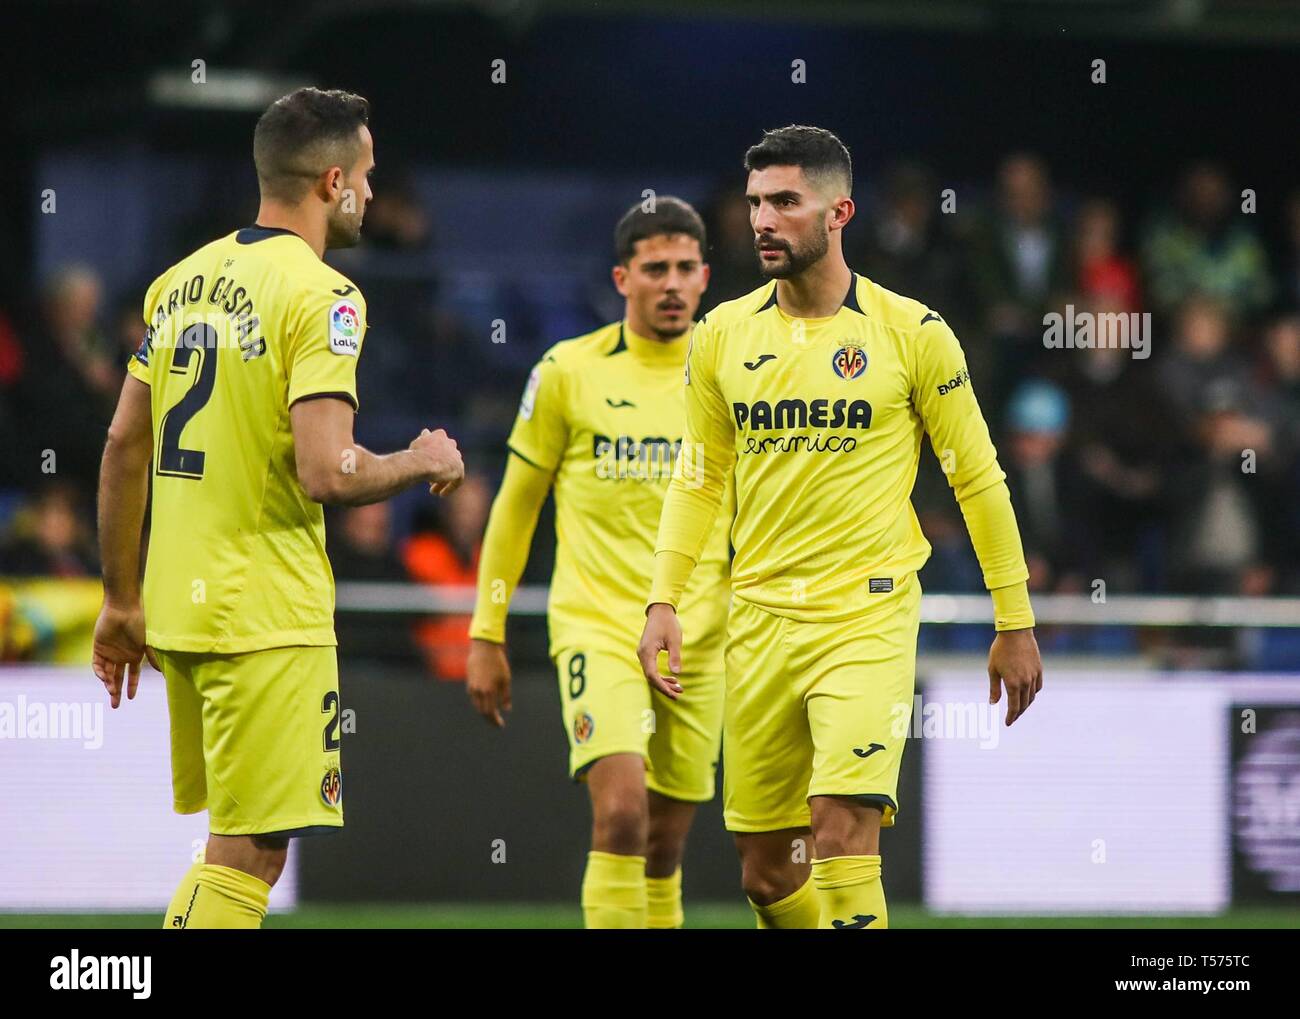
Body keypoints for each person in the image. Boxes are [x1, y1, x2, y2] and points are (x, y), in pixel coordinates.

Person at [638, 126, 1043, 929]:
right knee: (766, 871)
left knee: (841, 833)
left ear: (840, 211)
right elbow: (700, 477)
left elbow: (979, 477)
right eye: (756, 203)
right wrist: (662, 600)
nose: (763, 220)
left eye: (786, 202)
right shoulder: (721, 335)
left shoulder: (913, 332)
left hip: (867, 612)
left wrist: (1015, 616)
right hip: (755, 615)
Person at [91, 87, 464, 930]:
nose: (370, 192)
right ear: (333, 181)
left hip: (181, 610)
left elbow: (122, 446)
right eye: (365, 174)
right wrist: (421, 459)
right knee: (252, 852)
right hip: (264, 613)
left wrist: (120, 598)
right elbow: (327, 470)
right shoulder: (325, 296)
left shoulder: (177, 283)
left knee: (233, 842)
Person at [466, 198, 729, 928]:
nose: (671, 284)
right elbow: (515, 507)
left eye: (685, 268)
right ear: (622, 277)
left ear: (706, 275)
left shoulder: (733, 374)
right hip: (598, 625)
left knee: (664, 844)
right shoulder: (567, 372)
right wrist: (486, 631)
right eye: (655, 269)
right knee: (620, 812)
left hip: (702, 634)